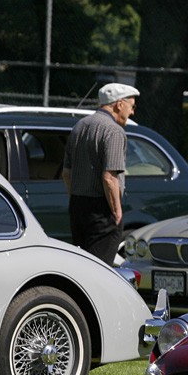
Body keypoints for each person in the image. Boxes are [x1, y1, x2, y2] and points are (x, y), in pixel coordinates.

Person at [62, 82, 138, 265]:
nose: (133, 112)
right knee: (99, 269)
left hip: (78, 204)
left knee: (82, 265)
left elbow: (66, 173)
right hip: (102, 210)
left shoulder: (79, 126)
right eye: (132, 106)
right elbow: (109, 177)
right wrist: (117, 212)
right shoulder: (114, 131)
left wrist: (76, 198)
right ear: (119, 104)